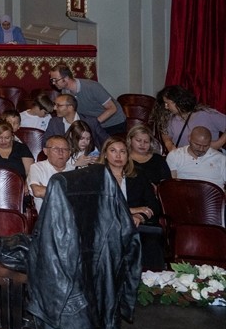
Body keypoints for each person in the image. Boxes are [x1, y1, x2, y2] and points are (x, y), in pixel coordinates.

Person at [101, 135, 164, 272]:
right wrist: (131, 210)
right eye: (113, 151)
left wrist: (140, 216)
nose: (118, 155)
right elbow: (97, 207)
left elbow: (154, 205)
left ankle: (150, 286)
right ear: (105, 154)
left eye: (122, 151)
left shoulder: (138, 175)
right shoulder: (96, 176)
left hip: (135, 227)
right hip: (106, 227)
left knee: (151, 242)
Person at [50, 66, 126, 137]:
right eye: (52, 80)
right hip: (95, 124)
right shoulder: (65, 92)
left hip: (114, 123)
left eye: (56, 80)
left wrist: (93, 124)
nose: (53, 83)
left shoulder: (92, 86)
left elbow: (112, 108)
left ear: (66, 78)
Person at [157, 85, 226, 152]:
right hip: (185, 161)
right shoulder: (170, 118)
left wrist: (218, 143)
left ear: (177, 101)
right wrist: (170, 146)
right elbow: (166, 136)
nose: (166, 107)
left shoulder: (207, 114)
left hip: (209, 159)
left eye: (167, 103)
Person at [27, 135, 74, 211]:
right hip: (48, 218)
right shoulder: (37, 168)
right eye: (56, 149)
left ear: (69, 153)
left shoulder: (75, 170)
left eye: (65, 149)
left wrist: (47, 191)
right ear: (45, 151)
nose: (61, 153)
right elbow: (38, 191)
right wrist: (70, 193)